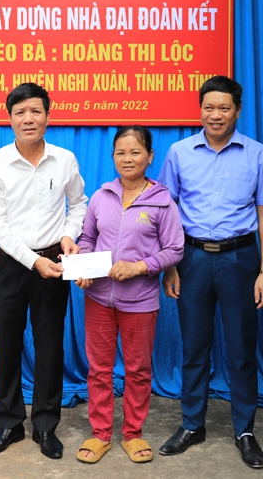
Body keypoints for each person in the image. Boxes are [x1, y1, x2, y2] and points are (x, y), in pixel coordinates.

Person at [157, 76, 263, 468]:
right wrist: (170, 265)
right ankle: (192, 424)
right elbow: (167, 210)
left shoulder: (257, 154)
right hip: (192, 259)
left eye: (224, 108)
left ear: (237, 111)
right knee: (193, 347)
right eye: (209, 107)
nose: (216, 115)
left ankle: (244, 430)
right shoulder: (179, 153)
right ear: (200, 109)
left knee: (242, 350)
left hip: (240, 260)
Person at [0, 82, 88, 459]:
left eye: (35, 111)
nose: (28, 119)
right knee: (6, 345)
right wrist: (33, 260)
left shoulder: (64, 159)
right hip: (9, 264)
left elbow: (79, 203)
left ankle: (45, 425)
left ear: (47, 115)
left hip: (54, 262)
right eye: (20, 112)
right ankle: (9, 423)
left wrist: (69, 235)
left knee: (49, 346)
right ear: (9, 118)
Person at [74, 126, 184, 464]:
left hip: (140, 303)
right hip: (98, 299)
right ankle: (100, 433)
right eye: (120, 152)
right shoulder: (101, 197)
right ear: (113, 157)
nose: (127, 159)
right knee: (99, 369)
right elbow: (87, 239)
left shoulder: (162, 201)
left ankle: (133, 433)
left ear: (150, 156)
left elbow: (175, 249)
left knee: (137, 370)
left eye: (135, 152)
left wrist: (139, 267)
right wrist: (84, 266)